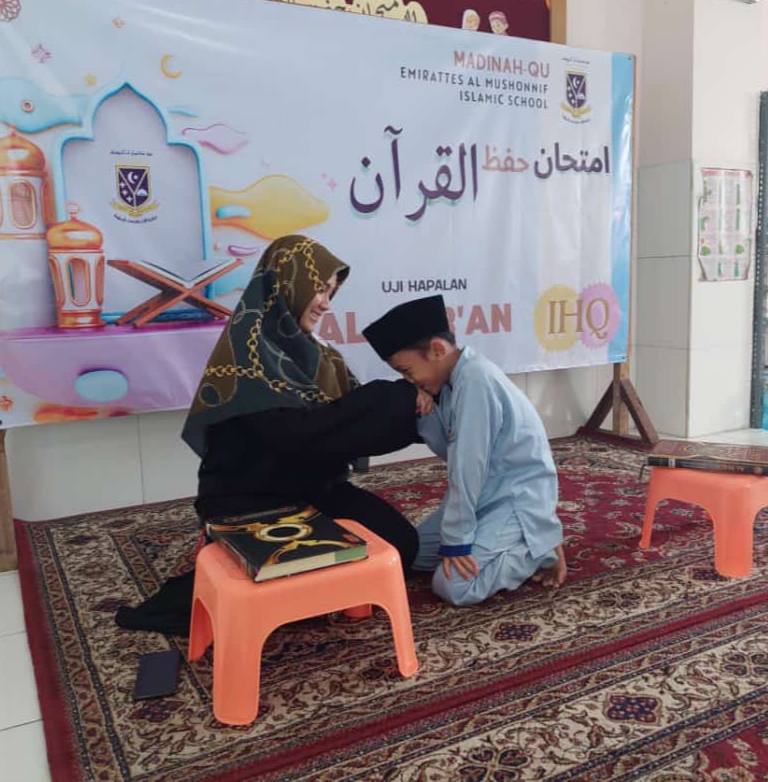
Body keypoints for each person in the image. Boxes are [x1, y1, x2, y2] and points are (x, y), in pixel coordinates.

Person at [116, 236, 422, 635]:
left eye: (330, 292)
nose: (325, 303)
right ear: (288, 284)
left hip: (312, 488)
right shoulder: (248, 354)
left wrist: (409, 403)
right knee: (283, 581)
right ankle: (233, 584)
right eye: (319, 289)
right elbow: (305, 436)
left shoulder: (317, 355)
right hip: (249, 498)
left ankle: (294, 587)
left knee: (401, 545)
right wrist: (394, 397)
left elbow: (342, 425)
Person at [363, 294, 566, 606]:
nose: (409, 380)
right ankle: (528, 538)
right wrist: (421, 402)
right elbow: (448, 442)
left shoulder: (475, 379)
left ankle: (538, 547)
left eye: (407, 371)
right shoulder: (449, 380)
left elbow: (467, 466)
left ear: (437, 350)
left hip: (515, 499)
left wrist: (457, 540)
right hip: (486, 494)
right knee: (412, 554)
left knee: (453, 586)